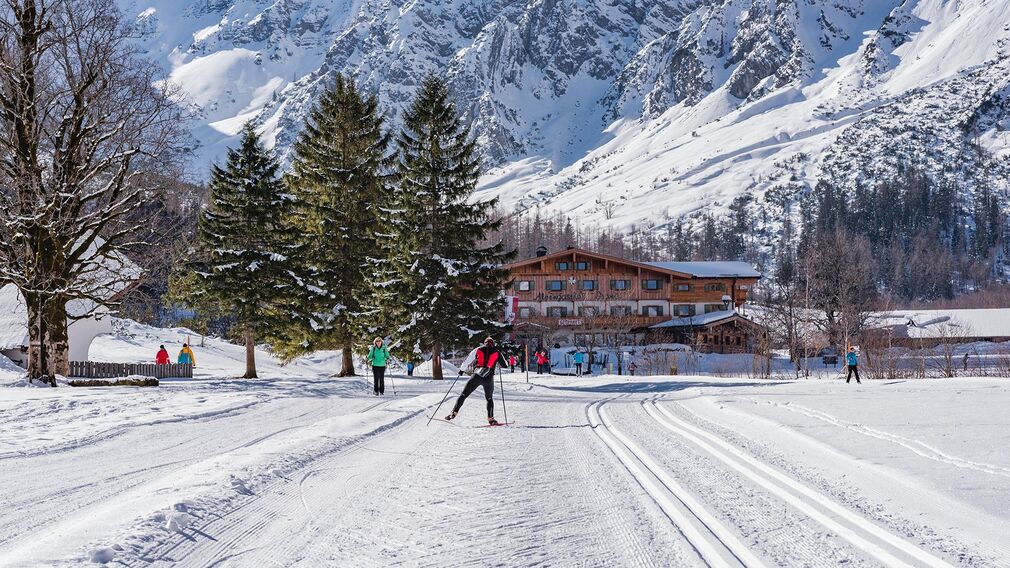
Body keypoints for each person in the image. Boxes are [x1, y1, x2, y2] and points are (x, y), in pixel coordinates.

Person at [446, 337, 502, 425]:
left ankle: (454, 412)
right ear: (493, 344)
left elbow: (467, 360)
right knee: (489, 398)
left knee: (464, 394)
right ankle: (491, 418)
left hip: (476, 376)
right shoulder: (497, 351)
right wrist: (498, 361)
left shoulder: (478, 349)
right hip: (488, 377)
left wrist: (461, 370)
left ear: (484, 343)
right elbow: (505, 364)